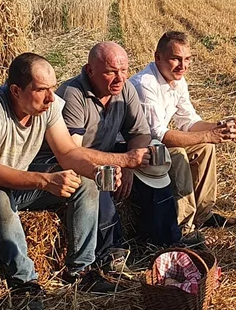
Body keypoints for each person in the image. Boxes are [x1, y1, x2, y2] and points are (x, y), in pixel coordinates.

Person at [0, 52, 129, 309]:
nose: (51, 97)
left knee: (84, 183)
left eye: (52, 88)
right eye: (42, 90)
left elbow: (66, 152)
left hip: (16, 182)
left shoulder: (48, 105)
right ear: (16, 91)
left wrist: (95, 171)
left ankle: (82, 270)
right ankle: (25, 283)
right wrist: (44, 180)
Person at [42, 41, 200, 251]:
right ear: (90, 71)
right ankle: (112, 250)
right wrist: (122, 161)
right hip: (71, 161)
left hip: (109, 153)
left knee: (155, 165)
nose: (120, 78)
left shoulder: (125, 89)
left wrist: (130, 165)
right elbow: (73, 152)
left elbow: (140, 132)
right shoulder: (73, 94)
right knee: (103, 181)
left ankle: (165, 239)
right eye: (111, 72)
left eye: (124, 70)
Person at [130, 30, 236, 231]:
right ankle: (182, 227)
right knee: (178, 154)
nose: (183, 66)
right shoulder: (145, 84)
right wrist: (208, 134)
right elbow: (158, 135)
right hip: (135, 149)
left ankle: (203, 214)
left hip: (156, 144)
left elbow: (189, 122)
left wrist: (220, 127)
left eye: (187, 59)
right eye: (176, 59)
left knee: (205, 147)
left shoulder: (178, 80)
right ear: (158, 57)